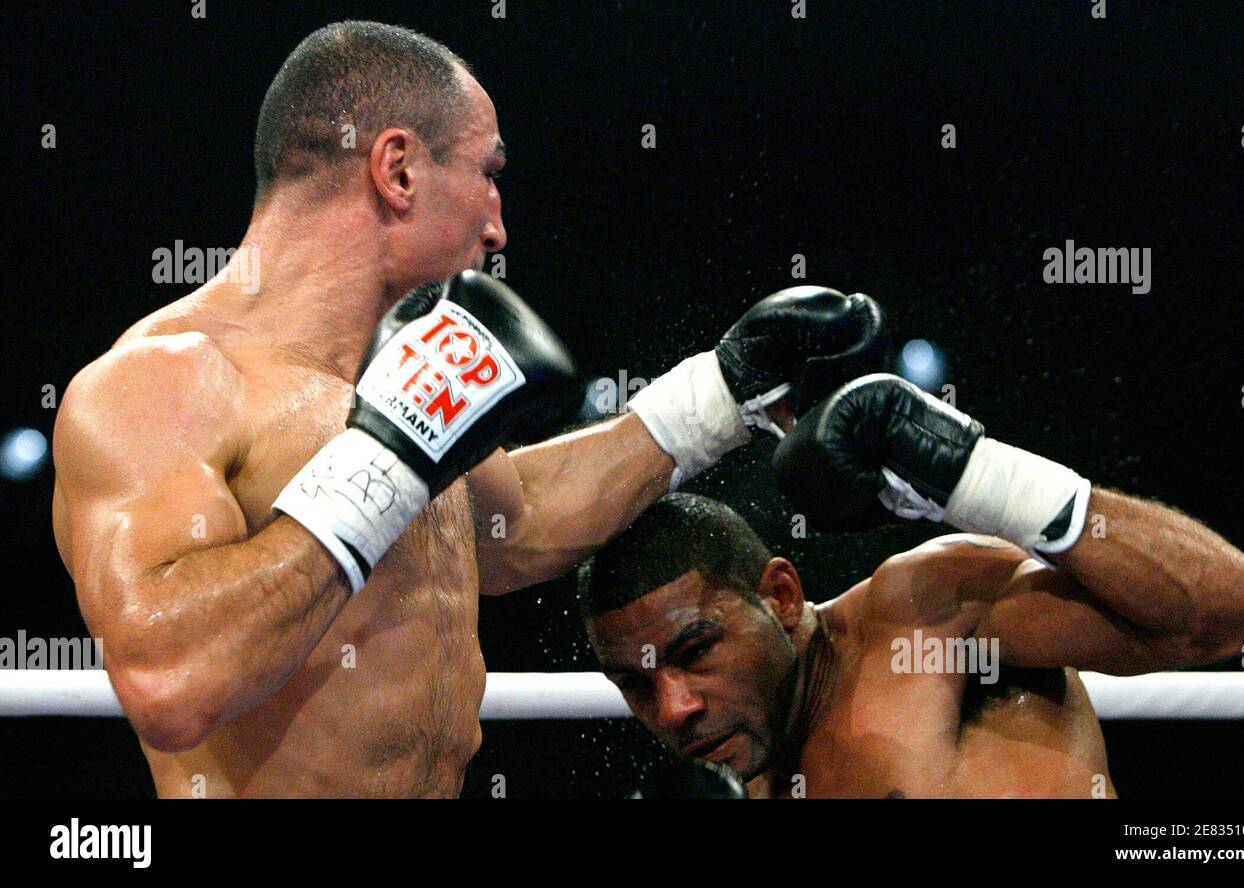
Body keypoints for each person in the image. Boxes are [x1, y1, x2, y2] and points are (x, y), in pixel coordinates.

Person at [50, 21, 887, 797]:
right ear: (399, 168)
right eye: (487, 174)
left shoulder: (398, 375)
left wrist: (721, 390)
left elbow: (512, 527)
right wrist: (386, 461)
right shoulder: (165, 381)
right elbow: (169, 679)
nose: (498, 228)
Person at [580, 375, 1244, 797]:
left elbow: (1230, 612)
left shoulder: (926, 619)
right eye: (635, 684)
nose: (672, 709)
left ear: (782, 599)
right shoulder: (741, 774)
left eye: (697, 650)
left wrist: (988, 480)